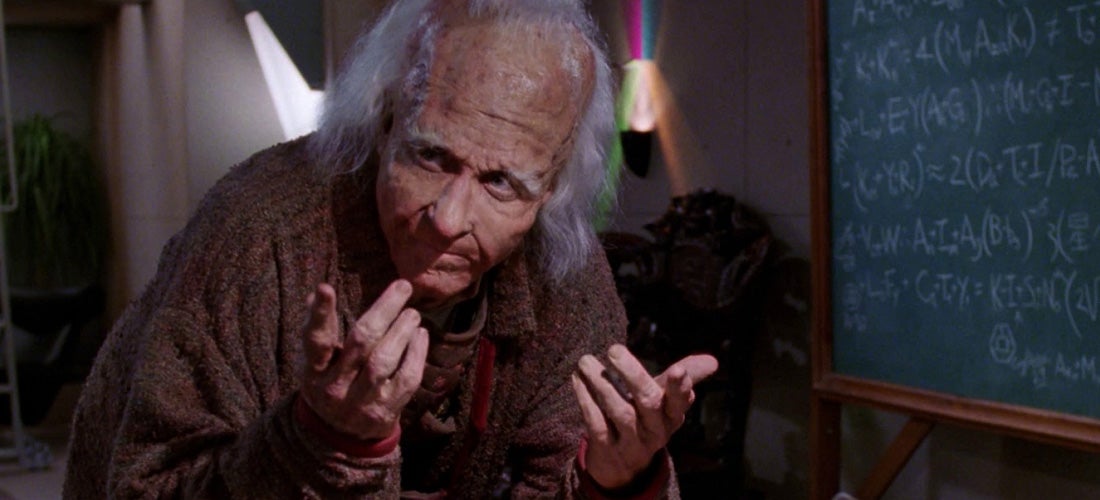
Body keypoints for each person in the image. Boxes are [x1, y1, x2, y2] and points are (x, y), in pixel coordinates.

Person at [63, 0, 717, 498]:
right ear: (384, 124)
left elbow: (553, 483)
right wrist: (318, 440)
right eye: (430, 156)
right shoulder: (258, 230)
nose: (448, 220)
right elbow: (142, 485)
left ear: (550, 191)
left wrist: (613, 482)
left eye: (501, 183)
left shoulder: (565, 273)